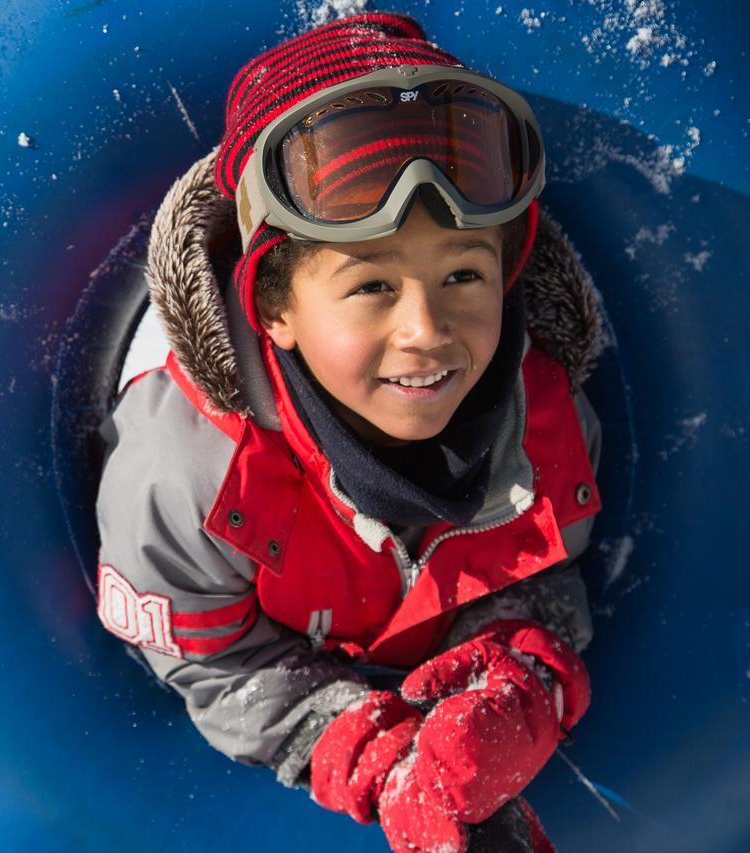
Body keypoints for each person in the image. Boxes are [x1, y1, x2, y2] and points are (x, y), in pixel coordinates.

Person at [94, 12, 604, 852]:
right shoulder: (188, 475)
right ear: (274, 309)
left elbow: (550, 567)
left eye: (464, 274)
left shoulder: (546, 427)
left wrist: (518, 671)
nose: (426, 328)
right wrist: (377, 753)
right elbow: (220, 661)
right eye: (371, 286)